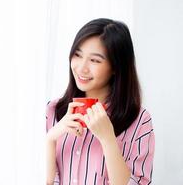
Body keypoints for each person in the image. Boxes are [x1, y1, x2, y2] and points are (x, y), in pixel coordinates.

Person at [46, 18, 155, 185]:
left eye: (95, 60)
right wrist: (51, 138)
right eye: (77, 55)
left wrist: (107, 139)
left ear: (116, 67)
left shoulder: (139, 120)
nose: (82, 68)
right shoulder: (53, 111)